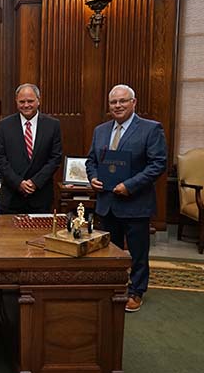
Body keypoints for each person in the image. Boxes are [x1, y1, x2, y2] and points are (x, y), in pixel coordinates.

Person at [85, 84, 167, 313]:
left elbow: (158, 164)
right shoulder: (100, 130)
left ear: (134, 102)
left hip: (135, 203)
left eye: (123, 101)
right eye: (113, 102)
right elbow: (91, 161)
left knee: (138, 253)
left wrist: (129, 186)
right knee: (109, 252)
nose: (118, 106)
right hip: (107, 203)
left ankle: (136, 291)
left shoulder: (151, 129)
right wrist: (93, 178)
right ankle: (113, 288)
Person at [0, 83, 62, 213]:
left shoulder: (52, 125)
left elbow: (55, 159)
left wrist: (34, 182)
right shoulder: (4, 126)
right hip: (12, 197)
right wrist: (19, 183)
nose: (26, 105)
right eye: (22, 101)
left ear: (39, 100)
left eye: (30, 101)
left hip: (40, 195)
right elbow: (0, 158)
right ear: (16, 102)